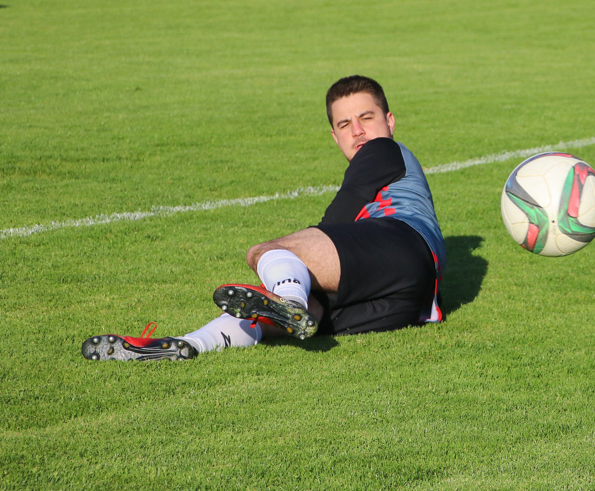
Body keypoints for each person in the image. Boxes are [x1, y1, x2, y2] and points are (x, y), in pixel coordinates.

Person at [82, 75, 446, 361]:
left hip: (400, 243)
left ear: (390, 121)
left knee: (267, 252)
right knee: (284, 316)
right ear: (334, 136)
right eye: (345, 124)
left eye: (366, 117)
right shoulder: (391, 165)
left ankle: (291, 301)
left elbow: (339, 216)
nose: (358, 131)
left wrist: (295, 254)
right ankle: (190, 344)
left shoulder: (383, 149)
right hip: (408, 300)